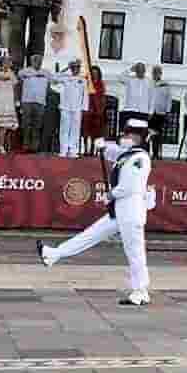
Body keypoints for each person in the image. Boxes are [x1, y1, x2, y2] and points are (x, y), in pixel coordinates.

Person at [39, 118, 157, 307]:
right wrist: (102, 145)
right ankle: (53, 254)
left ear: (136, 136)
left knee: (134, 252)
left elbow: (130, 186)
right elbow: (113, 152)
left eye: (127, 133)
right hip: (120, 210)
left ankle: (140, 291)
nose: (124, 136)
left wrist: (110, 194)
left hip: (131, 211)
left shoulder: (140, 158)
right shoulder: (128, 154)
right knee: (90, 234)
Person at [54, 60, 88, 158]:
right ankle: (63, 150)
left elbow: (85, 94)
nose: (75, 69)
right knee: (64, 129)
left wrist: (84, 108)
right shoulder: (66, 78)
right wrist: (66, 68)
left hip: (77, 108)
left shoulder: (83, 80)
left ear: (79, 68)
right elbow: (55, 77)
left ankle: (73, 150)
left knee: (75, 130)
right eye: (73, 67)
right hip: (65, 107)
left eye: (77, 67)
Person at [16, 61, 50, 153]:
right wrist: (34, 73)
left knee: (37, 126)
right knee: (26, 125)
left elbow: (54, 78)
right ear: (32, 62)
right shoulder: (25, 71)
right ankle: (25, 146)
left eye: (39, 61)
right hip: (27, 101)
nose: (37, 63)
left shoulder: (46, 72)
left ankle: (34, 147)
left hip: (40, 102)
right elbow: (19, 75)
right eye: (35, 60)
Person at [119, 63, 155, 131]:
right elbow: (120, 77)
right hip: (130, 110)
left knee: (142, 132)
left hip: (143, 111)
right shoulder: (130, 80)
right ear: (135, 71)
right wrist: (130, 70)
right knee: (127, 130)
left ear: (144, 71)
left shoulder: (149, 82)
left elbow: (152, 97)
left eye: (141, 70)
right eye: (138, 70)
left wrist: (151, 112)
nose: (140, 72)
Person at [81, 65, 107, 154]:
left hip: (97, 110)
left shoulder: (101, 83)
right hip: (87, 108)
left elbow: (102, 97)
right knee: (85, 131)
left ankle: (92, 149)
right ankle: (85, 149)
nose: (95, 75)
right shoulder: (86, 82)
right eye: (93, 73)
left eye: (96, 73)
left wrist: (101, 109)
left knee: (95, 132)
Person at [149, 66, 172, 159]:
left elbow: (169, 99)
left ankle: (156, 154)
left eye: (158, 72)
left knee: (157, 135)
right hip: (149, 112)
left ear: (160, 74)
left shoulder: (165, 85)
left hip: (160, 113)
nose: (156, 74)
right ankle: (147, 152)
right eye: (154, 72)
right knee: (148, 134)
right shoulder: (149, 83)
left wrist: (168, 111)